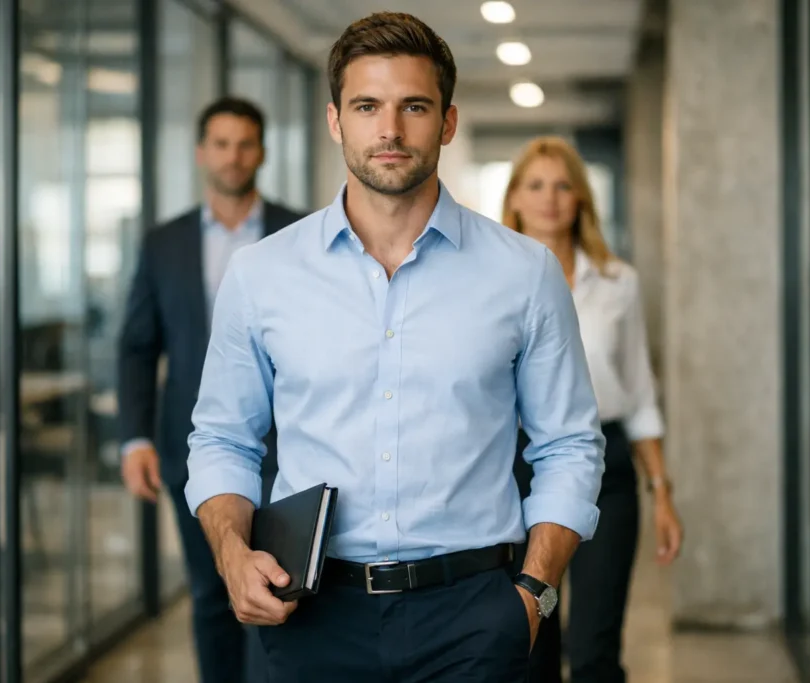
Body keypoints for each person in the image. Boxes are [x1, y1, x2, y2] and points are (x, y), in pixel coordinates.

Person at [183, 12, 605, 683]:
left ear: (448, 122)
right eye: (367, 106)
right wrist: (233, 553)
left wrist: (534, 593)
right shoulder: (261, 273)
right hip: (309, 615)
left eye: (414, 106)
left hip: (476, 615)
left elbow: (568, 446)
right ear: (334, 120)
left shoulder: (524, 273)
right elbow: (222, 440)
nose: (389, 129)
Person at [117, 96, 304, 683]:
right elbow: (137, 346)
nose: (233, 156)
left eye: (245, 143)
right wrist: (134, 439)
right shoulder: (163, 243)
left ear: (262, 153)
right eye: (221, 144)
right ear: (202, 153)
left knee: (284, 598)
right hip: (188, 447)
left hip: (289, 450)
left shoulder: (300, 234)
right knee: (211, 594)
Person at [503, 136, 684, 683]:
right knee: (529, 639)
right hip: (516, 470)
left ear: (581, 198)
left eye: (563, 186)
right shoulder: (492, 282)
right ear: (513, 198)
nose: (550, 199)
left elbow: (639, 392)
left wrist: (662, 494)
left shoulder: (617, 282)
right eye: (535, 185)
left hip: (607, 466)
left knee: (595, 649)